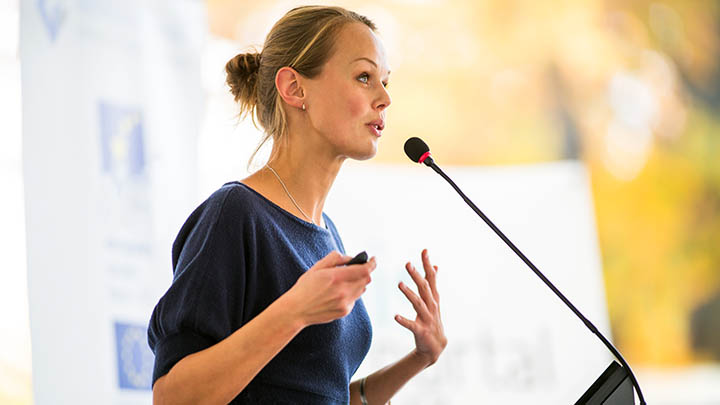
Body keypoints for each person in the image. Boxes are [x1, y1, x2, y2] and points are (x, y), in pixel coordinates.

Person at [147, 5, 447, 404]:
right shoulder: (235, 215)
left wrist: (419, 358)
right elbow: (172, 397)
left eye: (386, 81)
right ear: (294, 88)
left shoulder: (327, 233)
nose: (385, 98)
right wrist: (295, 311)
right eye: (364, 77)